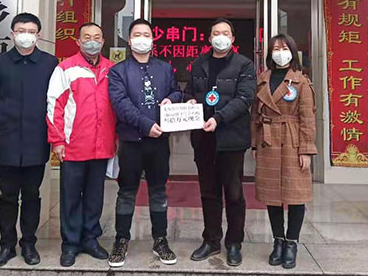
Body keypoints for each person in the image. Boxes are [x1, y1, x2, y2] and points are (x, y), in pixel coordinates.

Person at [0, 13, 58, 268]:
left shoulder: (49, 63)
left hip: (36, 139)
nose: (26, 35)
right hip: (7, 139)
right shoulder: (0, 63)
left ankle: (29, 243)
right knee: (7, 195)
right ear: (12, 34)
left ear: (38, 35)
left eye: (31, 31)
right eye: (21, 30)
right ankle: (6, 246)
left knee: (31, 195)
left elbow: (54, 99)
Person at [107, 18, 182, 267]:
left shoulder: (165, 68)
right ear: (129, 41)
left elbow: (176, 91)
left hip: (159, 142)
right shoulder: (118, 71)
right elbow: (120, 104)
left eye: (146, 34)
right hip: (131, 142)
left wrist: (172, 99)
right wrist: (145, 125)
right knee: (126, 192)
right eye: (137, 35)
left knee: (158, 191)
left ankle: (160, 240)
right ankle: (121, 240)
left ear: (152, 39)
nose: (142, 39)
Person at [184, 18, 256, 267]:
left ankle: (234, 243)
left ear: (232, 39)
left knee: (234, 193)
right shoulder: (198, 63)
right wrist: (189, 100)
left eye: (225, 33)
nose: (221, 37)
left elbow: (244, 99)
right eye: (216, 33)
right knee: (208, 192)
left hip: (231, 139)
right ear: (209, 38)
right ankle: (211, 240)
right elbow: (189, 91)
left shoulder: (244, 64)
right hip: (203, 138)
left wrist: (219, 118)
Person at [46, 22, 117, 267]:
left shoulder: (111, 69)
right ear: (78, 41)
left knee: (95, 196)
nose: (92, 41)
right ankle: (70, 243)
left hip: (102, 144)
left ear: (103, 41)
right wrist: (57, 140)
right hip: (73, 144)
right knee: (71, 196)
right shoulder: (65, 68)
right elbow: (54, 105)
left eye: (97, 37)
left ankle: (90, 239)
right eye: (87, 37)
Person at [251, 34, 317, 270]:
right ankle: (278, 240)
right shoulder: (263, 79)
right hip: (268, 141)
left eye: (284, 47)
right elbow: (255, 116)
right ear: (270, 53)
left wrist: (306, 150)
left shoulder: (301, 81)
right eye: (276, 48)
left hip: (292, 141)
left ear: (293, 51)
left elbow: (307, 118)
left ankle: (292, 242)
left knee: (296, 194)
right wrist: (255, 144)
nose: (280, 52)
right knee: (272, 195)